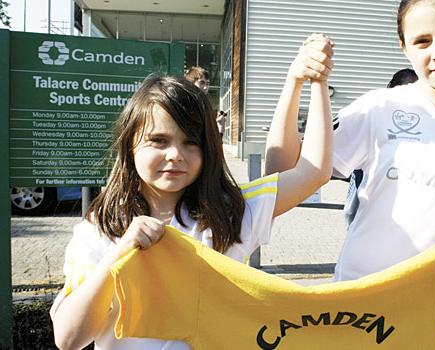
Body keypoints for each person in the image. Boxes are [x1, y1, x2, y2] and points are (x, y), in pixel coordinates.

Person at [265, 1, 435, 349]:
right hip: (355, 310)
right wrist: (295, 82)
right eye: (422, 41)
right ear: (402, 46)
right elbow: (281, 173)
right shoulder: (379, 107)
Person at [50, 60, 334, 349]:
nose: (175, 154)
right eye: (159, 140)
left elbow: (313, 173)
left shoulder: (230, 213)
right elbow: (68, 339)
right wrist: (121, 253)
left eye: (191, 142)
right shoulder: (99, 229)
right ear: (130, 145)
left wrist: (308, 80)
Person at [345, 68, 418, 226]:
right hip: (366, 172)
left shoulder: (422, 116)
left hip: (403, 179)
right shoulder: (378, 108)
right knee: (352, 214)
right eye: (405, 88)